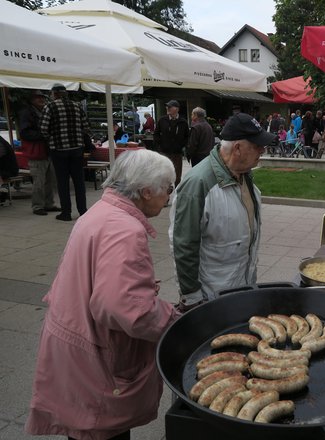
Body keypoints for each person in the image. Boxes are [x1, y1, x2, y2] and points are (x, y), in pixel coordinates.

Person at [25, 149, 180, 440]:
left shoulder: (103, 210)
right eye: (168, 189)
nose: (169, 196)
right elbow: (127, 308)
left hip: (74, 341)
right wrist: (176, 322)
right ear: (146, 191)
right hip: (94, 354)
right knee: (100, 432)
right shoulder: (125, 230)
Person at [169, 113, 277, 311]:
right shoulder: (198, 184)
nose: (262, 150)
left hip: (242, 288)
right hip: (212, 297)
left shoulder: (244, 174)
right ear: (237, 148)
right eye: (257, 146)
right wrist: (193, 300)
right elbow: (183, 246)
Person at [40, 83, 90, 221]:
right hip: (77, 149)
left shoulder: (50, 107)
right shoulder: (77, 106)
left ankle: (66, 213)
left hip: (59, 149)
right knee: (79, 182)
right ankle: (83, 211)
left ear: (54, 94)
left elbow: (43, 129)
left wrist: (53, 135)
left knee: (63, 183)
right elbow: (86, 127)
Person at [18, 90, 60, 216]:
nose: (41, 100)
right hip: (37, 152)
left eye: (42, 98)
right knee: (39, 181)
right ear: (32, 100)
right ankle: (37, 206)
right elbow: (25, 133)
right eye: (38, 98)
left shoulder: (43, 111)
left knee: (50, 180)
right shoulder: (26, 113)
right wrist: (44, 135)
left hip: (47, 151)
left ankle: (48, 204)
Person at [154, 100, 189, 186]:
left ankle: (177, 192)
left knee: (177, 176)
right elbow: (156, 133)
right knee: (164, 174)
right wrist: (160, 145)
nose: (167, 108)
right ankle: (164, 193)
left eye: (170, 107)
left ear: (176, 109)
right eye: (167, 106)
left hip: (177, 153)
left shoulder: (183, 122)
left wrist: (181, 146)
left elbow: (187, 136)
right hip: (164, 152)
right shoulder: (162, 120)